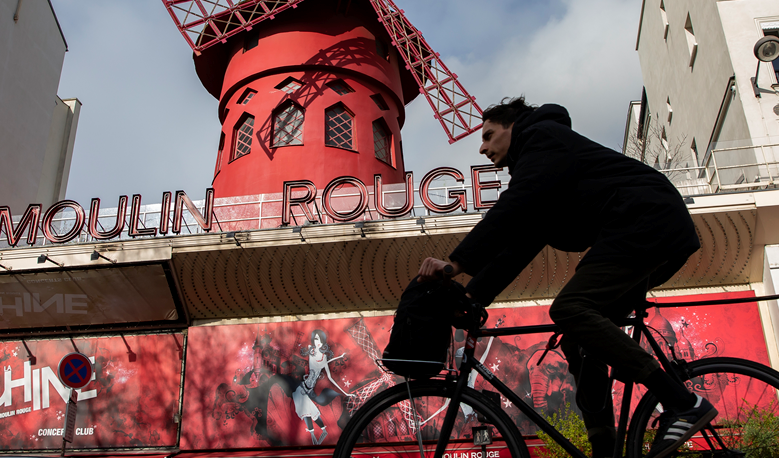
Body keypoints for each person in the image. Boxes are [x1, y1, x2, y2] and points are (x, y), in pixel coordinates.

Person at [417, 97, 714, 458]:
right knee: (577, 338)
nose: (482, 147)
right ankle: (604, 446)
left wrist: (456, 263)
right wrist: (472, 297)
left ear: (513, 126)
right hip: (642, 228)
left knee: (571, 308)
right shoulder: (545, 167)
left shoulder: (543, 139)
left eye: (489, 135)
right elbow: (520, 245)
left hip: (644, 222)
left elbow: (515, 206)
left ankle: (682, 402)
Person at [292, 329, 351, 445]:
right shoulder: (311, 351)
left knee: (310, 412)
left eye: (318, 339)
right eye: (315, 339)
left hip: (308, 390)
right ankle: (315, 436)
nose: (316, 341)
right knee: (307, 412)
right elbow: (299, 353)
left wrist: (346, 393)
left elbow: (331, 378)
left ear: (323, 340)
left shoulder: (323, 358)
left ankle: (321, 432)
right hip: (303, 388)